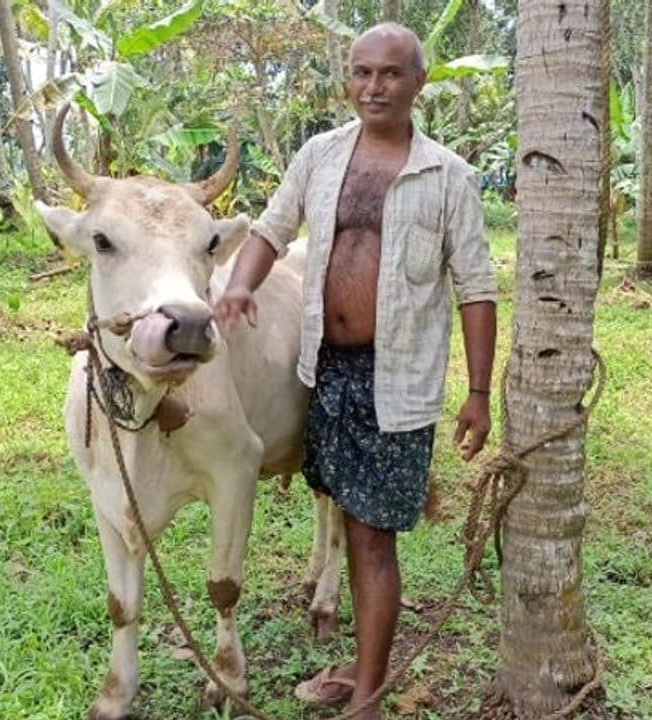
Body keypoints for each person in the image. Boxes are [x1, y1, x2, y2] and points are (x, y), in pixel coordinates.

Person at [213, 22, 497, 719]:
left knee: (371, 539)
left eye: (391, 73)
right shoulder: (322, 155)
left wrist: (480, 394)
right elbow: (271, 231)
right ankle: (363, 665)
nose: (374, 87)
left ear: (418, 83)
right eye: (362, 72)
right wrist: (242, 284)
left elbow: (477, 288)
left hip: (395, 382)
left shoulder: (447, 176)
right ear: (348, 78)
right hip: (323, 373)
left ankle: (366, 697)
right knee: (344, 511)